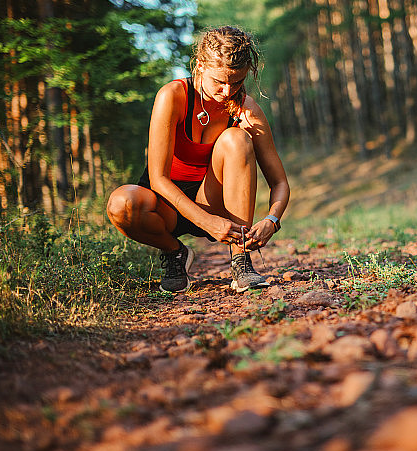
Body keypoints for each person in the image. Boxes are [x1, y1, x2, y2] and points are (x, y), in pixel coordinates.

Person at [107, 25, 289, 293]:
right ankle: (175, 252)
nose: (227, 91)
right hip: (166, 205)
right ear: (200, 65)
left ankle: (240, 260)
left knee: (236, 138)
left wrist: (272, 220)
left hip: (210, 199)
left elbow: (280, 182)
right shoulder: (173, 96)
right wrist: (206, 222)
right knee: (120, 203)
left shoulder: (247, 110)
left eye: (237, 82)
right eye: (219, 81)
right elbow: (158, 179)